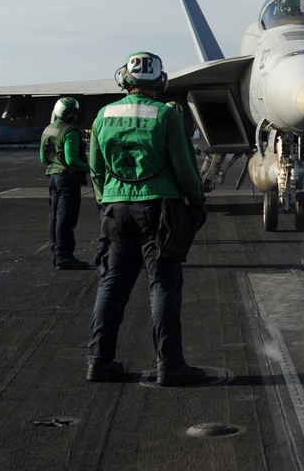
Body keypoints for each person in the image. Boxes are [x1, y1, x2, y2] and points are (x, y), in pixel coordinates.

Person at [86, 51, 207, 385]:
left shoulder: (102, 116)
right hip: (159, 211)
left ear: (124, 78)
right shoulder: (166, 117)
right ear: (160, 82)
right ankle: (169, 365)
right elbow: (185, 168)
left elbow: (96, 171)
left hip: (114, 209)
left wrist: (106, 202)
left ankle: (99, 361)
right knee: (163, 285)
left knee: (111, 284)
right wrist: (197, 201)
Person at [39, 96, 90, 269]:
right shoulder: (70, 132)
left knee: (54, 216)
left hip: (52, 178)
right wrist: (90, 168)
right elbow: (72, 160)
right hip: (67, 180)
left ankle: (56, 254)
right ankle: (64, 256)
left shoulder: (48, 129)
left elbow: (41, 157)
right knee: (65, 218)